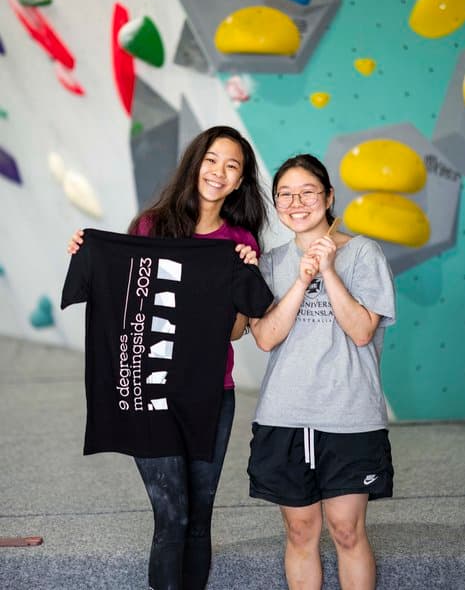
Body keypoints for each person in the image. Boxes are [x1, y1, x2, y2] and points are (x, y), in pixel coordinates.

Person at [67, 125, 270, 590]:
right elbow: (120, 299)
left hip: (211, 396)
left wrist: (244, 275)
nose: (218, 172)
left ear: (240, 181)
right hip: (151, 393)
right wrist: (88, 254)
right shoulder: (151, 227)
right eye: (212, 159)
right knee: (172, 516)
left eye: (232, 165)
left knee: (199, 518)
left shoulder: (239, 242)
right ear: (195, 163)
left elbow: (236, 332)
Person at [247, 154, 396, 590]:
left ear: (329, 196)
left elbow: (363, 330)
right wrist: (298, 281)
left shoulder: (363, 252)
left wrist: (327, 271)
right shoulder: (269, 263)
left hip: (349, 415)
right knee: (299, 533)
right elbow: (266, 337)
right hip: (284, 416)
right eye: (285, 195)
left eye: (307, 192)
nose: (297, 202)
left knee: (347, 531)